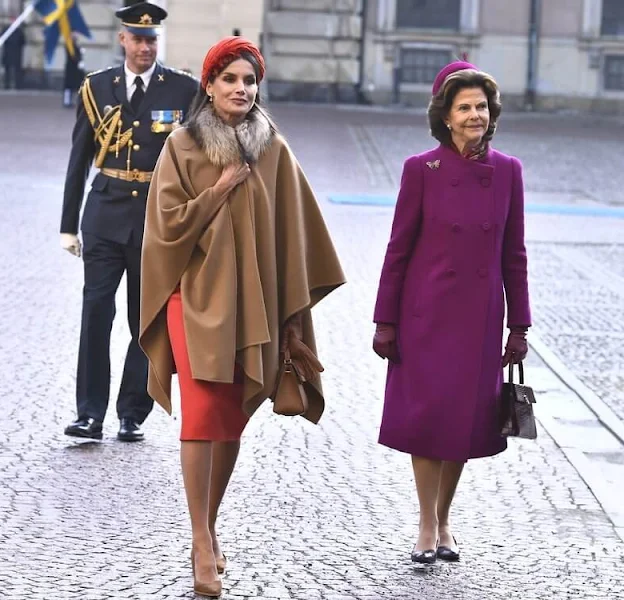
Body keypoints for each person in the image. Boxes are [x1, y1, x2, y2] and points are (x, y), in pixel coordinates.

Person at [139, 37, 345, 597]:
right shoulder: (182, 145)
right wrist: (219, 190)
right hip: (195, 300)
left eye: (249, 81)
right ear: (209, 86)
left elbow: (296, 232)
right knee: (201, 413)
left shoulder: (272, 148)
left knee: (229, 420)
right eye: (229, 79)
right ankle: (202, 542)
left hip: (253, 305)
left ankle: (206, 527)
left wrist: (293, 315)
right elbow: (165, 229)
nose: (240, 89)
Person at [372, 61, 531, 564]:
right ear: (444, 116)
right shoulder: (421, 169)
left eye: (481, 106)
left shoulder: (508, 172)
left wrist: (519, 324)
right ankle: (425, 522)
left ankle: (445, 520)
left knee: (463, 422)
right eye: (464, 107)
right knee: (429, 419)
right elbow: (398, 249)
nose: (474, 116)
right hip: (427, 316)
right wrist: (385, 320)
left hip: (480, 318)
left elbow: (515, 253)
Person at [60, 2, 199, 442]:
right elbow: (80, 157)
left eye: (151, 38)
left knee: (146, 319)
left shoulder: (182, 89)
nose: (145, 46)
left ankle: (132, 412)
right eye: (138, 38)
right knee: (96, 312)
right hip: (103, 213)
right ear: (123, 39)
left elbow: (194, 159)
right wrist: (67, 224)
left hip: (155, 220)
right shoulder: (98, 86)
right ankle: (89, 414)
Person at [62, 34, 85, 108]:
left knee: (73, 85)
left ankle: (70, 101)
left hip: (75, 69)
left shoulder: (75, 45)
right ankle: (66, 101)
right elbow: (73, 56)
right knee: (68, 86)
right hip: (71, 68)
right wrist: (78, 61)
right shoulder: (69, 46)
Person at [1, 20, 24, 90]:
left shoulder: (18, 31)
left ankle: (13, 85)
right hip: (13, 54)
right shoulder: (8, 30)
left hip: (12, 54)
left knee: (14, 71)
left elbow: (23, 42)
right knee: (10, 71)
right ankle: (10, 85)